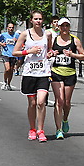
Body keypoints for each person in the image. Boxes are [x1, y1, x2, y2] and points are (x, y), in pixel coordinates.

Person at [12, 11, 54, 142]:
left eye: (40, 19)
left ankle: (41, 130)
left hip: (43, 72)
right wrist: (29, 51)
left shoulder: (47, 34)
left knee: (41, 102)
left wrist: (50, 54)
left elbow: (49, 50)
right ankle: (32, 129)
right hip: (29, 72)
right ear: (31, 20)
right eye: (36, 19)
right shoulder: (25, 34)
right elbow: (15, 52)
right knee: (32, 103)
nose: (38, 21)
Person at [50, 18, 84, 139]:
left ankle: (65, 119)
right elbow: (47, 53)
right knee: (59, 101)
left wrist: (72, 55)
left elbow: (83, 56)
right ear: (58, 27)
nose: (64, 28)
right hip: (56, 72)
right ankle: (58, 129)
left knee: (66, 102)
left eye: (67, 26)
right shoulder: (54, 39)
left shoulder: (74, 40)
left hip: (70, 73)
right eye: (62, 26)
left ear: (69, 27)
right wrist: (51, 54)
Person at [0, 23, 19, 90]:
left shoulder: (16, 35)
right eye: (10, 27)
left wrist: (17, 41)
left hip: (13, 54)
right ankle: (4, 82)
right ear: (7, 28)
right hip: (6, 54)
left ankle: (8, 84)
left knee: (11, 70)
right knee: (7, 69)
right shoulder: (3, 35)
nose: (11, 29)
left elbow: (21, 42)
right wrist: (2, 44)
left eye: (12, 27)